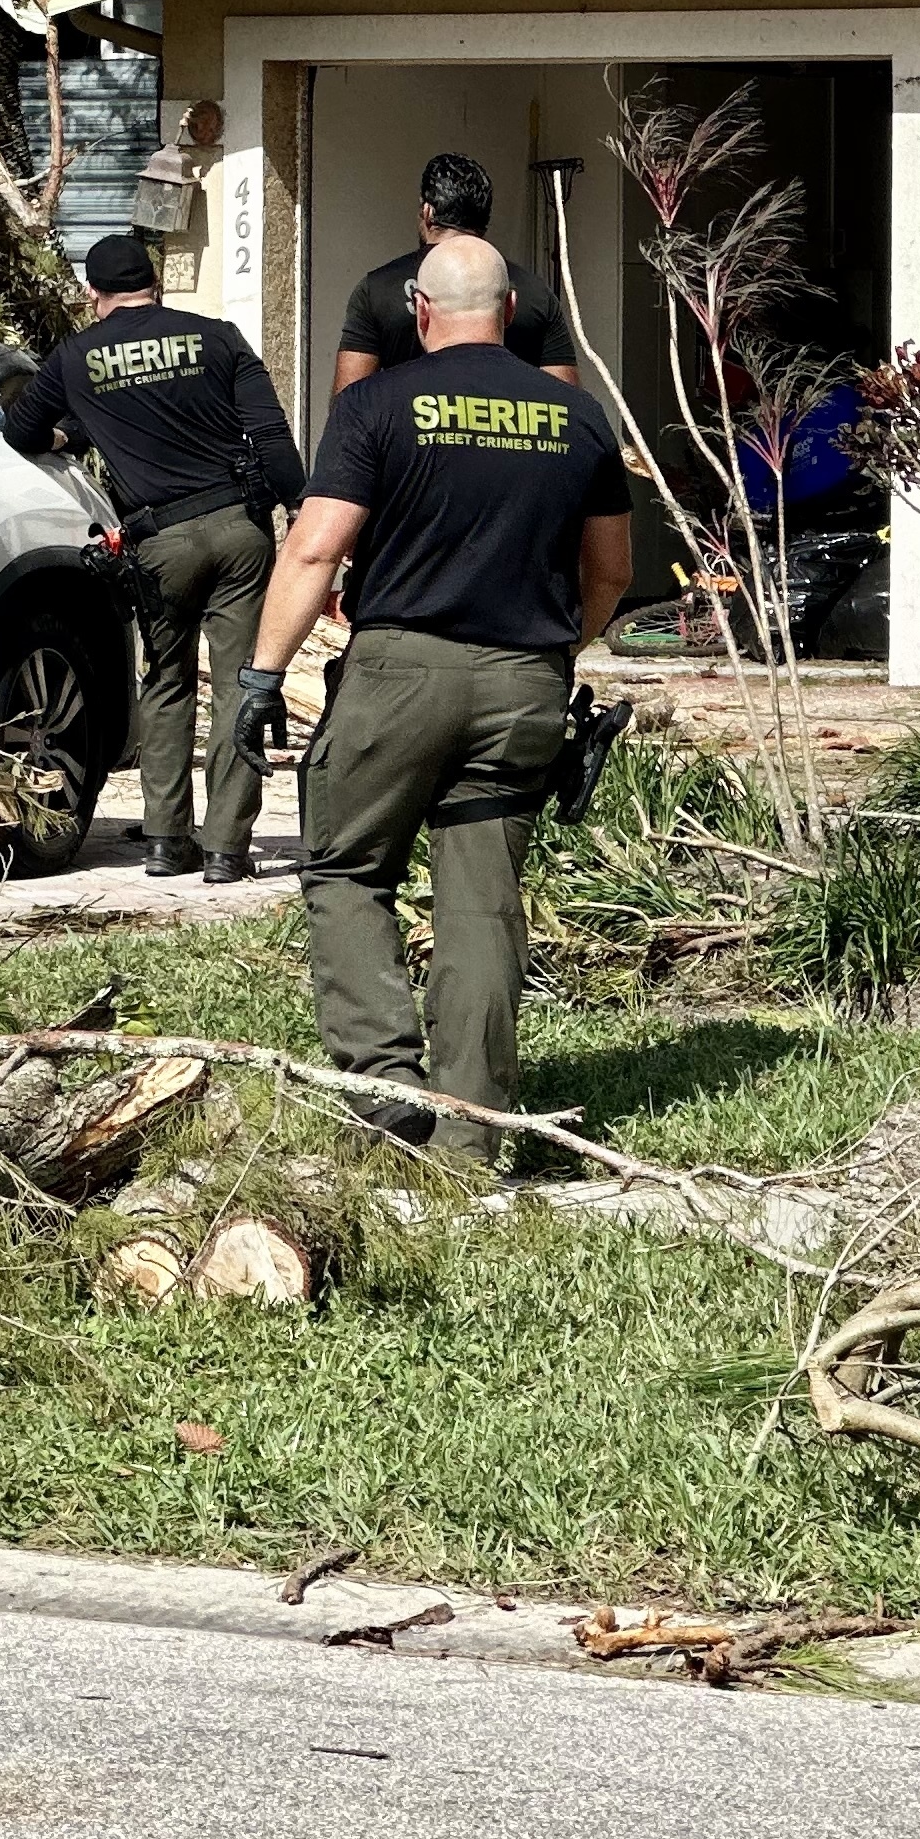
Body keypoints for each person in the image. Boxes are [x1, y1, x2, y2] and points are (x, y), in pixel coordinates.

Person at [237, 233, 630, 1160]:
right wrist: (547, 654)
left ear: (420, 309)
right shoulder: (577, 420)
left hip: (400, 674)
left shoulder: (377, 403)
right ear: (509, 314)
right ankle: (470, 1143)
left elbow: (314, 548)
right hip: (526, 683)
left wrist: (261, 675)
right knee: (482, 906)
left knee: (345, 866)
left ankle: (385, 1095)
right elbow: (610, 575)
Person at [7, 232, 307, 883]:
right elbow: (274, 437)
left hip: (158, 544)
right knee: (239, 687)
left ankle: (168, 842)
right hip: (238, 534)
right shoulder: (219, 336)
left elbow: (20, 431)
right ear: (156, 284)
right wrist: (302, 513)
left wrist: (73, 429)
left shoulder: (76, 357)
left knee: (166, 684)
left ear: (94, 296)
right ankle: (227, 848)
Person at [329, 151, 579, 396]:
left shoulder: (377, 289)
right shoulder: (535, 294)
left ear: (427, 212)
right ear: (483, 218)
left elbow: (348, 402)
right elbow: (566, 402)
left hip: (408, 432)